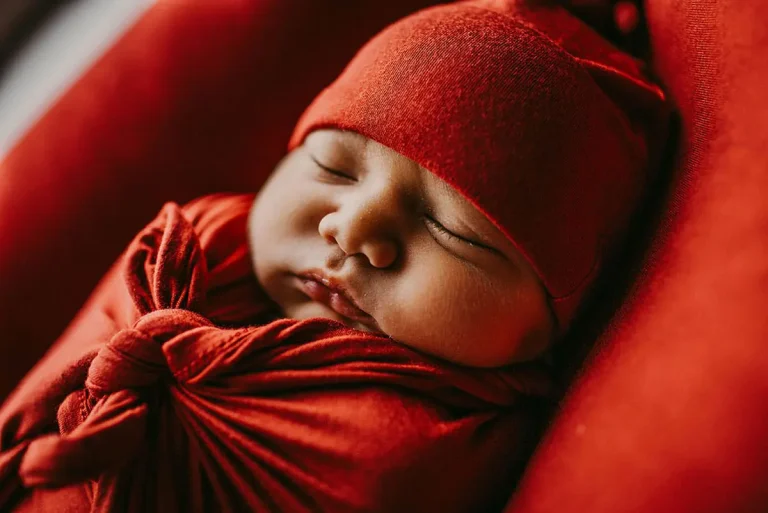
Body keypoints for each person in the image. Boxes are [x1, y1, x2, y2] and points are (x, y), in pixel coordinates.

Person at [0, 1, 668, 511]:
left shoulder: (424, 443)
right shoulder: (193, 251)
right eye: (333, 168)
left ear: (553, 319)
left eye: (453, 232)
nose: (352, 229)